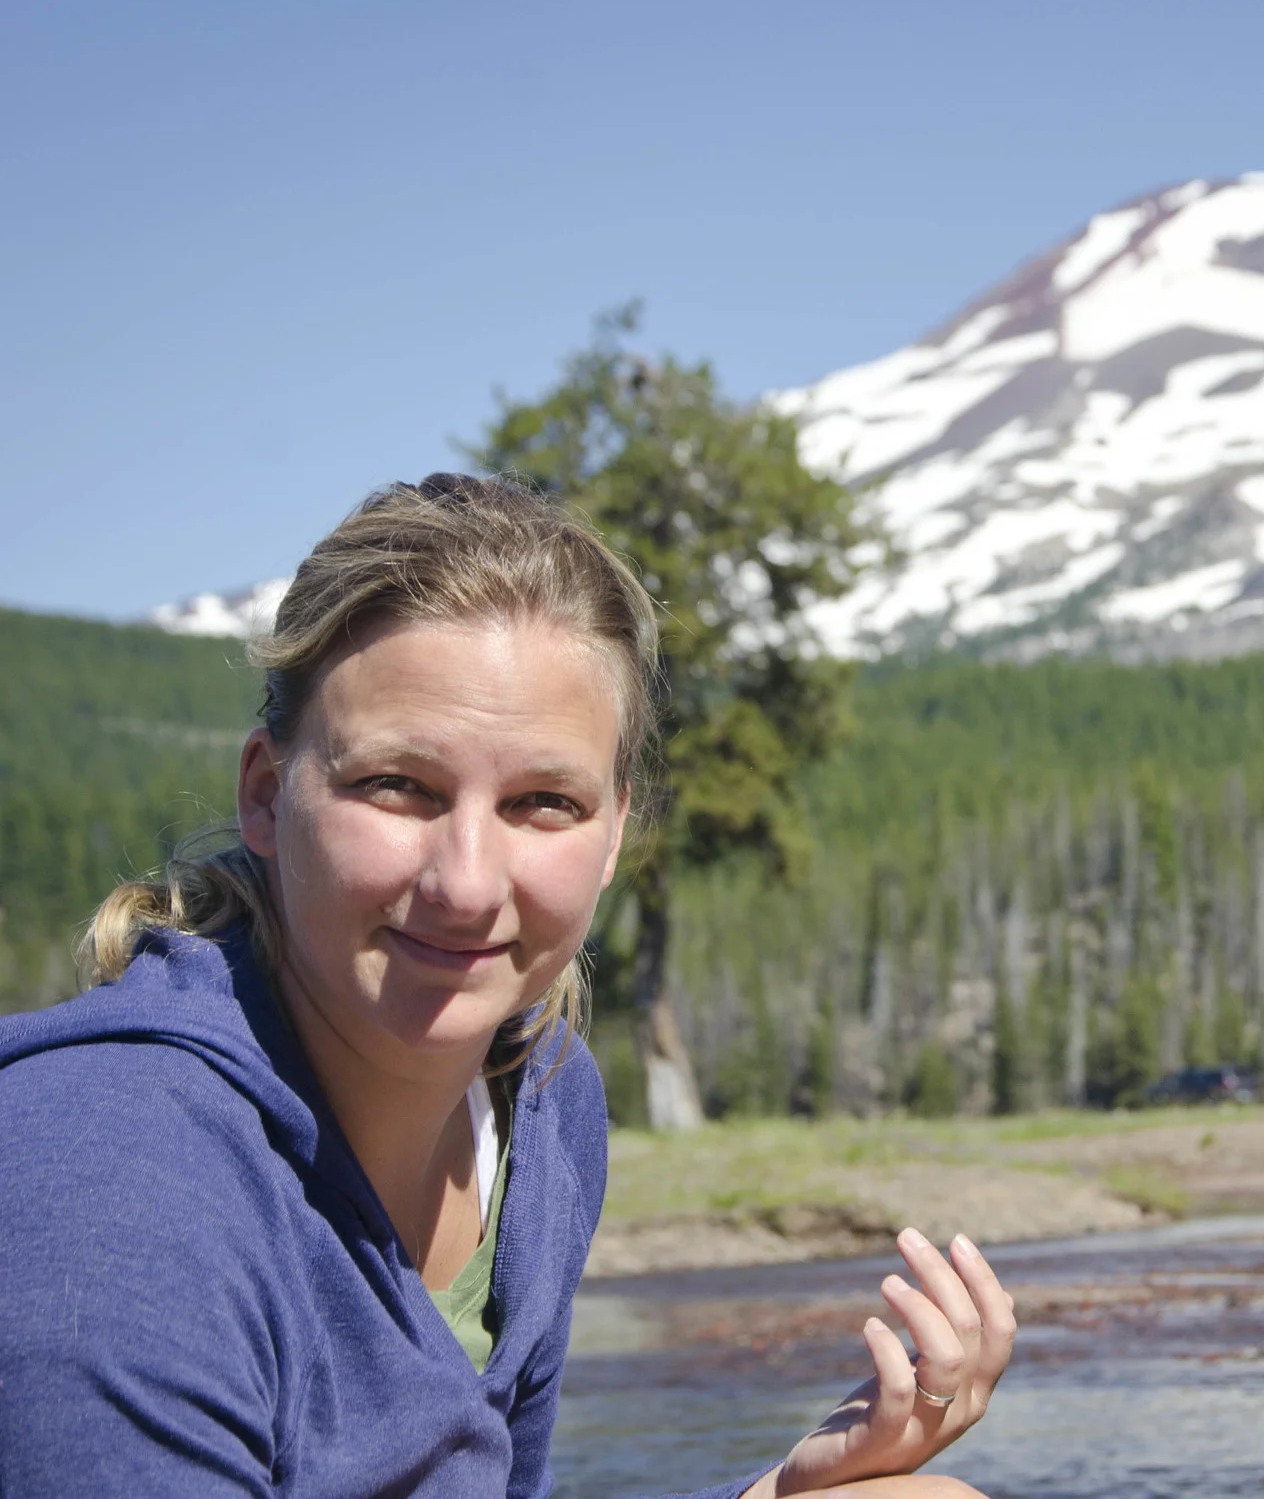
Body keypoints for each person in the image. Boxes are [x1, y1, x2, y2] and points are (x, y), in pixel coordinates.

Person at [0, 474, 1011, 1497]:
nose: (467, 883)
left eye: (542, 802)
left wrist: (778, 1489)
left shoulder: (541, 1097)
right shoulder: (110, 1183)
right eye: (398, 786)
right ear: (267, 794)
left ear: (617, 831)